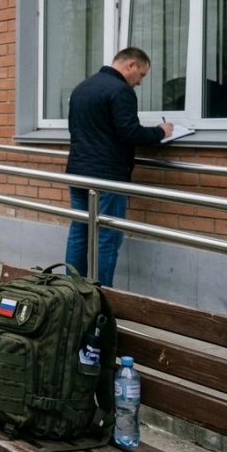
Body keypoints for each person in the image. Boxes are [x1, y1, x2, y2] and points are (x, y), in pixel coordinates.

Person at [65, 47, 174, 286]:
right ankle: (103, 295)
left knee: (79, 231)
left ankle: (71, 290)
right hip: (107, 175)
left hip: (78, 171)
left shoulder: (82, 88)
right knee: (107, 237)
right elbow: (129, 132)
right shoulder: (121, 91)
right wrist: (160, 132)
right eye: (142, 75)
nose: (141, 82)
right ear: (131, 65)